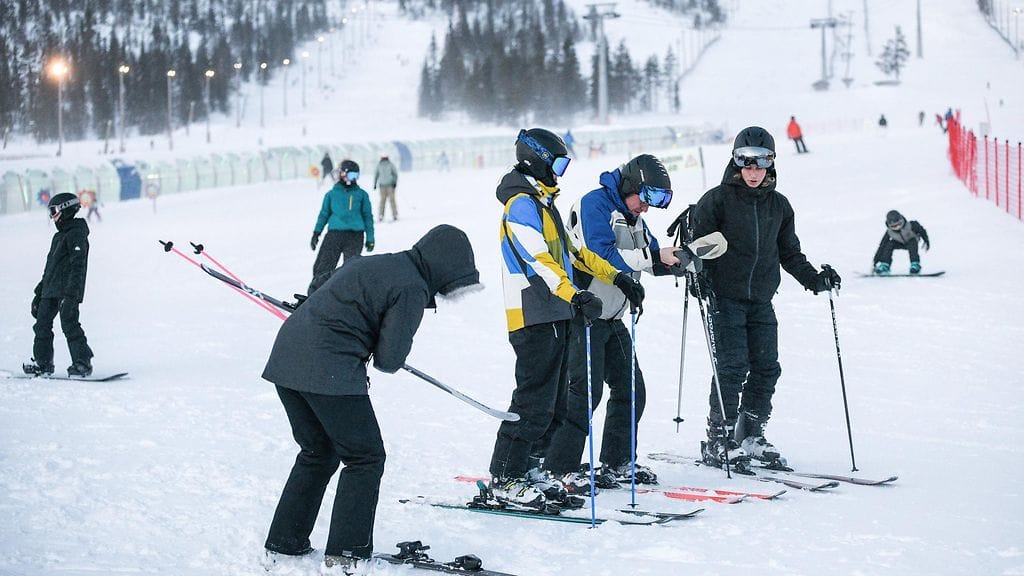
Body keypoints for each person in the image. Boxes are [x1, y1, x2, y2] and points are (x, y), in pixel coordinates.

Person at [261, 224, 482, 574]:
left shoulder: (371, 262)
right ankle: (346, 553)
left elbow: (319, 284)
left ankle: (284, 543)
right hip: (327, 367)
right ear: (444, 268)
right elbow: (389, 360)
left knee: (317, 452)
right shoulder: (411, 286)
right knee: (365, 457)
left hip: (287, 358)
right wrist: (375, 338)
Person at [489, 128, 634, 507]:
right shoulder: (520, 204)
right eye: (557, 163)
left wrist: (615, 276)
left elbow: (576, 254)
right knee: (532, 401)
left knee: (553, 403)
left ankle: (531, 466)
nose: (561, 171)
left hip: (557, 313)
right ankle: (505, 477)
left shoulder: (545, 205)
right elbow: (539, 260)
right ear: (534, 159)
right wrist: (576, 294)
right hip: (532, 314)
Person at [690, 126, 841, 466]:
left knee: (767, 367)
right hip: (724, 297)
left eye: (761, 162)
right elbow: (696, 250)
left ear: (771, 163)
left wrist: (816, 279)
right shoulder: (716, 200)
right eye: (746, 162)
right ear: (736, 162)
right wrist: (696, 278)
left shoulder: (779, 206)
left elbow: (790, 254)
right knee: (732, 367)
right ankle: (719, 438)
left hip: (760, 298)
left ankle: (751, 434)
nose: (753, 171)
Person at [543, 154, 690, 493]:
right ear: (630, 185)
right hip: (583, 315)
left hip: (613, 319)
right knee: (584, 395)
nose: (647, 208)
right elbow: (600, 256)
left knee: (631, 389)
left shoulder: (632, 216)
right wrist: (653, 257)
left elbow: (651, 256)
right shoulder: (595, 205)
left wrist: (678, 261)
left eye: (657, 201)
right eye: (646, 198)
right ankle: (558, 468)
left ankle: (617, 461)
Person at [23, 192, 94, 377]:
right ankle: (43, 363)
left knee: (69, 324)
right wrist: (39, 294)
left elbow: (78, 267)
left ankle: (82, 363)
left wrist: (72, 295)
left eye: (54, 212)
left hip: (67, 290)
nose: (52, 217)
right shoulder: (58, 237)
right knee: (41, 325)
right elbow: (50, 268)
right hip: (50, 290)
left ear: (66, 210)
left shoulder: (76, 234)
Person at [310, 160, 374, 281]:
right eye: (351, 175)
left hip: (355, 236)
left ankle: (348, 296)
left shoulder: (361, 195)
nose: (353, 179)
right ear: (342, 174)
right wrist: (316, 233)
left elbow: (368, 217)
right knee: (323, 267)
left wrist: (370, 238)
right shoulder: (331, 194)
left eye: (356, 176)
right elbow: (324, 214)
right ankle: (317, 292)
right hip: (334, 235)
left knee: (350, 270)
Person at [872, 210, 930, 275]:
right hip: (899, 243)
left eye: (899, 224)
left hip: (911, 241)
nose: (897, 227)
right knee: (889, 244)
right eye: (894, 226)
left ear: (902, 220)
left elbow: (922, 231)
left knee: (912, 243)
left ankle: (915, 264)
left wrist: (926, 241)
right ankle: (885, 265)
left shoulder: (911, 225)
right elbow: (882, 246)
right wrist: (875, 261)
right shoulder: (889, 232)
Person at [373, 155, 399, 222]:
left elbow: (395, 174)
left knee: (391, 200)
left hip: (390, 185)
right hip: (382, 186)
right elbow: (376, 175)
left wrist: (394, 182)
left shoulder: (390, 165)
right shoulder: (379, 165)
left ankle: (394, 215)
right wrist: (375, 184)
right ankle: (381, 215)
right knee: (383, 201)